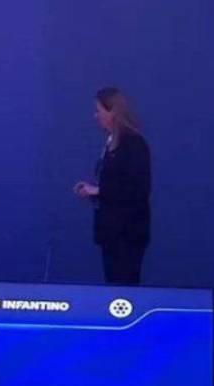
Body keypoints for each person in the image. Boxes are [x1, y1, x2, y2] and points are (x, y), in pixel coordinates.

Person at [73, 87, 152, 286]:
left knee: (124, 286)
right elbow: (115, 184)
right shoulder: (111, 144)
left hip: (127, 233)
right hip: (111, 233)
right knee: (113, 283)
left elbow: (139, 189)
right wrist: (93, 192)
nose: (95, 116)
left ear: (112, 112)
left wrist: (99, 191)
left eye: (98, 110)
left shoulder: (133, 144)